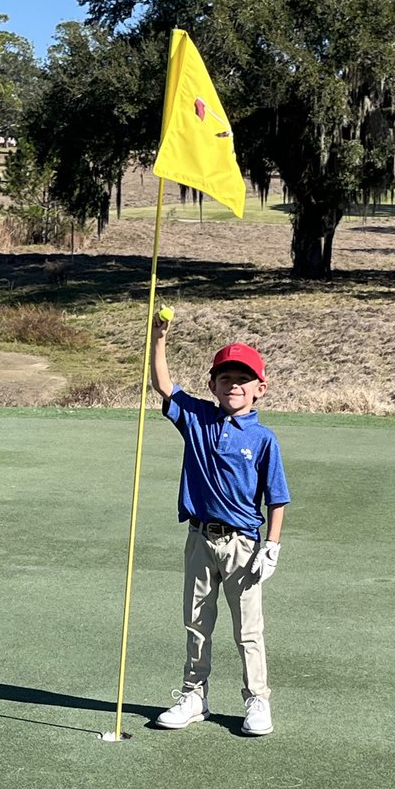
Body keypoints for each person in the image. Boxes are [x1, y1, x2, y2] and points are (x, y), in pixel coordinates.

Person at [150, 311, 290, 736]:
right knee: (196, 623)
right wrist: (159, 337)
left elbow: (277, 499)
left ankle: (257, 700)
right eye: (225, 378)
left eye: (244, 379)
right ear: (212, 385)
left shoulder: (263, 439)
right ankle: (194, 697)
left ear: (260, 388)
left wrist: (272, 546)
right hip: (199, 538)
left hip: (243, 545)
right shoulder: (198, 418)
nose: (234, 385)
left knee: (248, 629)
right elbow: (163, 385)